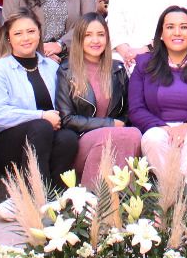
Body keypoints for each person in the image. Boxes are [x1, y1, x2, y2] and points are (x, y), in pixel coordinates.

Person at [0, 12, 79, 209]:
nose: (25, 38)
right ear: (9, 38)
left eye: (31, 31)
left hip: (47, 137)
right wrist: (41, 116)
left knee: (68, 138)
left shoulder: (51, 67)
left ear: (39, 34)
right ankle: (36, 196)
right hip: (10, 144)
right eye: (18, 33)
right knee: (42, 127)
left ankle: (56, 200)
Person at [127, 7, 187, 178]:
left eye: (184, 27)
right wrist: (163, 127)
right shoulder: (144, 63)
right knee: (153, 138)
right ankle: (172, 191)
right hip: (158, 128)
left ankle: (176, 191)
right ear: (161, 34)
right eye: (170, 27)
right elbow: (136, 109)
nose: (177, 33)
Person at [57, 15, 140, 188]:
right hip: (82, 141)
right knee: (116, 136)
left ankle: (119, 202)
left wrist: (119, 125)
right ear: (79, 38)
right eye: (88, 35)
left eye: (101, 34)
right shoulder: (66, 71)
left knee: (133, 134)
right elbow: (67, 119)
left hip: (117, 137)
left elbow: (129, 111)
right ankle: (95, 201)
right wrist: (109, 123)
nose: (95, 40)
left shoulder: (117, 69)